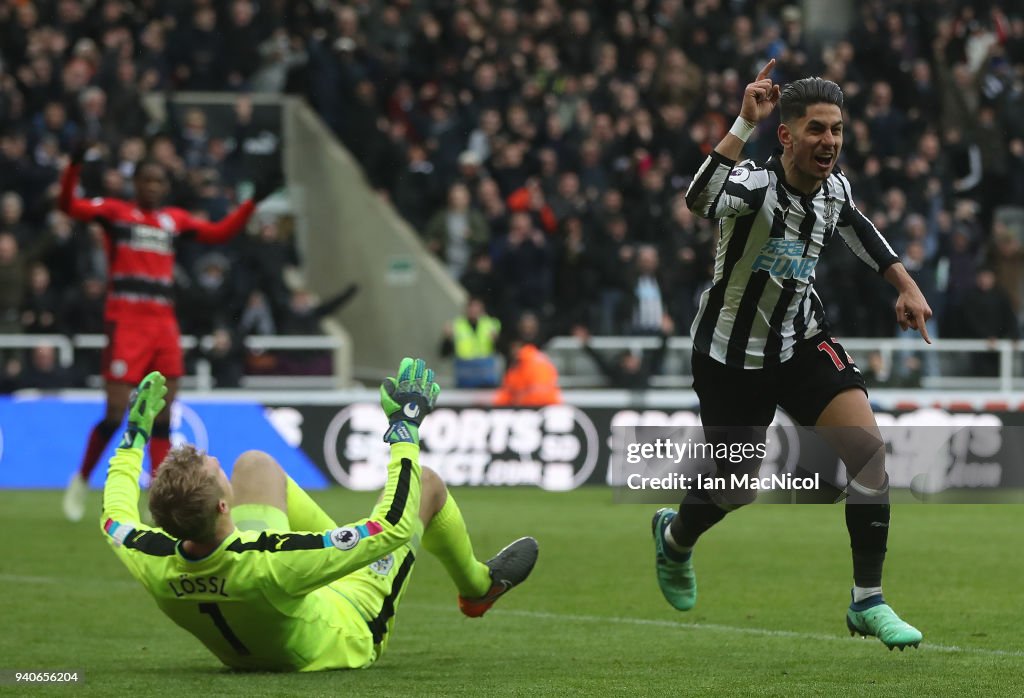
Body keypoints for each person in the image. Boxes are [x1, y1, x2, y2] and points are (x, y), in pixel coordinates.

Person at [652, 60, 932, 651]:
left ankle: (868, 601)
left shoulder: (835, 188)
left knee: (868, 455)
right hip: (731, 357)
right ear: (786, 135)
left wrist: (905, 285)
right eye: (815, 130)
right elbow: (698, 198)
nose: (828, 141)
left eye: (835, 130)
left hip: (802, 341)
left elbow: (858, 227)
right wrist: (741, 121)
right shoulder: (753, 187)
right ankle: (675, 539)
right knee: (734, 486)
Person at [100, 362, 538, 671]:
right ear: (221, 506)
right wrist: (405, 429)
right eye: (214, 469)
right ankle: (478, 588)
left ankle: (340, 564)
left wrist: (135, 434)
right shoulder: (271, 560)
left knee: (254, 463)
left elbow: (114, 515)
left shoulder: (153, 557)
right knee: (425, 482)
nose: (217, 461)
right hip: (346, 626)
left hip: (267, 609)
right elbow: (392, 528)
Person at [61, 147, 278, 522]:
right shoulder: (116, 214)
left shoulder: (172, 221)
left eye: (160, 181)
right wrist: (74, 167)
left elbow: (219, 232)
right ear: (136, 183)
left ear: (166, 186)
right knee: (115, 413)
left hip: (163, 325)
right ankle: (81, 480)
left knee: (163, 418)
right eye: (147, 179)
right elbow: (70, 206)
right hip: (126, 323)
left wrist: (251, 203)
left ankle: (161, 501)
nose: (153, 186)